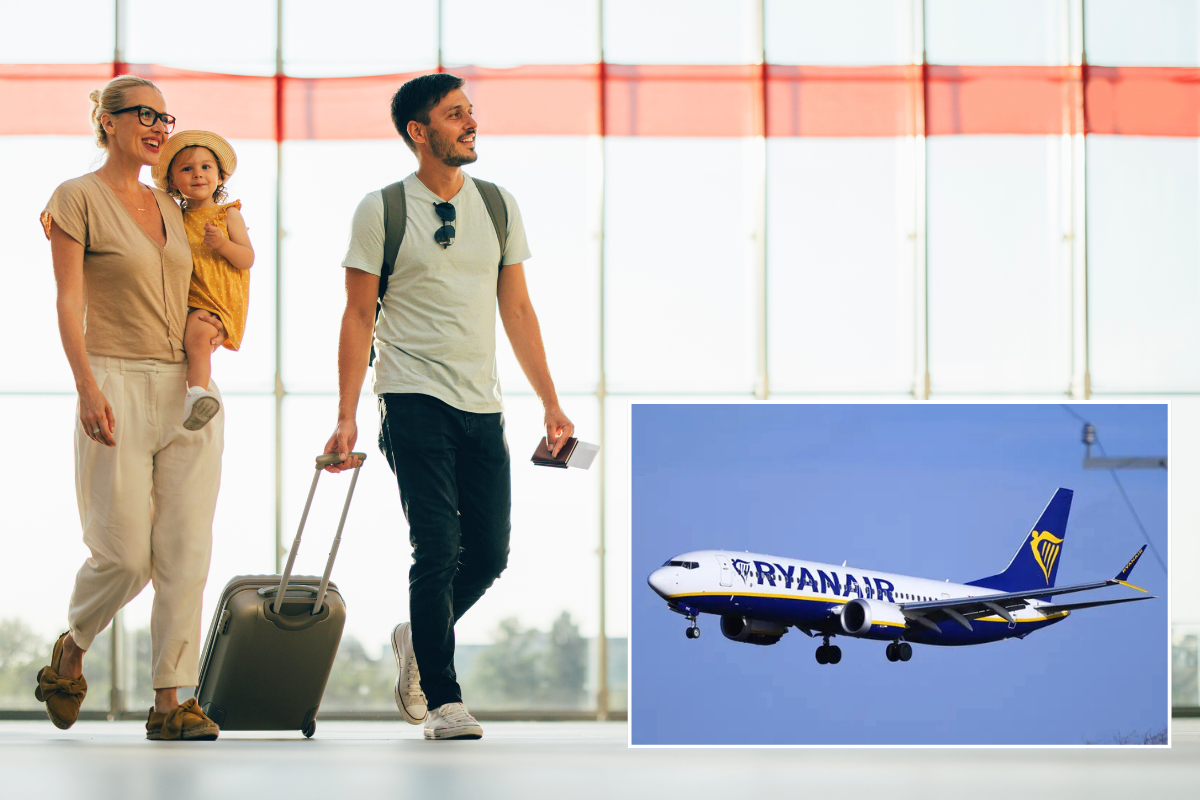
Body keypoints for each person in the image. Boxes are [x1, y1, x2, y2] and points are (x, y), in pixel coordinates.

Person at [323, 73, 574, 740]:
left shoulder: (497, 205)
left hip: (481, 404)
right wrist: (347, 414)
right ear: (419, 131)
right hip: (410, 396)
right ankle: (443, 701)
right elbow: (357, 316)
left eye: (470, 111)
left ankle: (417, 634)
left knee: (488, 554)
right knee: (437, 546)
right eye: (455, 114)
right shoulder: (381, 209)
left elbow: (517, 309)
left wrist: (550, 401)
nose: (471, 123)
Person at [36, 75, 227, 741]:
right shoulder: (76, 198)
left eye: (163, 117)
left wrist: (214, 324)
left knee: (184, 551)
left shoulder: (174, 203)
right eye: (144, 114)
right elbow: (68, 301)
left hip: (187, 390)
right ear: (108, 122)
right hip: (113, 378)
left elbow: (220, 272)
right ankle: (73, 647)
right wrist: (86, 386)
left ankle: (171, 701)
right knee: (123, 557)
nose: (157, 126)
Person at [151, 130, 255, 430]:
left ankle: (197, 394)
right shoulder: (175, 218)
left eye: (206, 167)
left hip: (216, 300)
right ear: (173, 181)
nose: (198, 174)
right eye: (187, 169)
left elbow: (247, 259)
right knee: (185, 339)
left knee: (198, 338)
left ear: (219, 177)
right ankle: (188, 395)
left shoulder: (228, 216)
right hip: (188, 297)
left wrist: (222, 244)